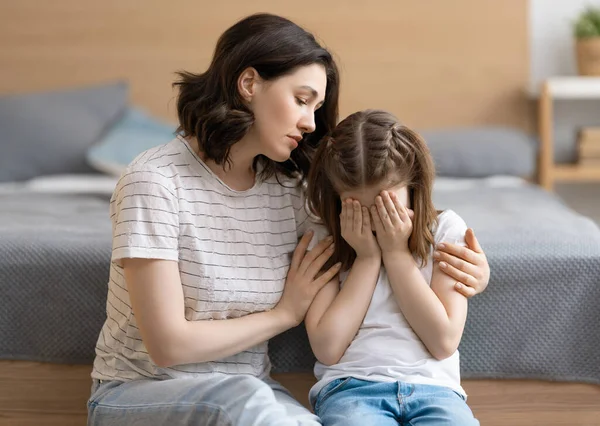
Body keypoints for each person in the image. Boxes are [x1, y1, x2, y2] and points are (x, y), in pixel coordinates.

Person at [87, 13, 489, 426]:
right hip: (143, 393)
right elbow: (167, 345)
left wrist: (473, 271)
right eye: (301, 99)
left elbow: (369, 186)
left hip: (250, 392)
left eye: (317, 107)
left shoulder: (289, 191)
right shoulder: (154, 181)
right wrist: (283, 314)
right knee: (243, 398)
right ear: (249, 85)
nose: (311, 123)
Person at [305, 109, 481, 425]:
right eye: (359, 208)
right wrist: (368, 259)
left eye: (387, 205)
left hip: (435, 389)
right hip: (350, 389)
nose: (376, 220)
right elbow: (328, 349)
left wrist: (397, 254)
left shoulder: (445, 231)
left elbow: (442, 342)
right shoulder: (325, 237)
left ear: (413, 185)